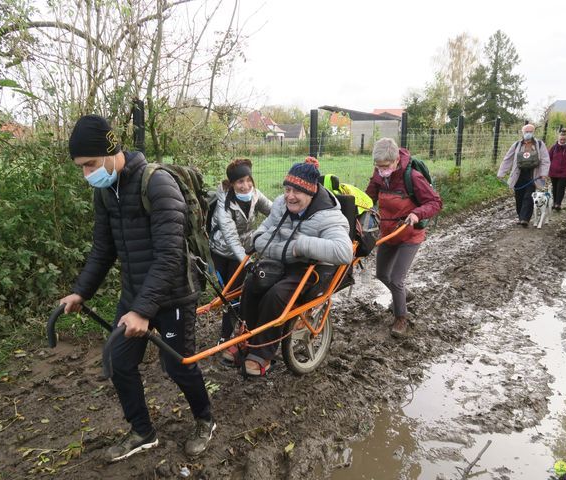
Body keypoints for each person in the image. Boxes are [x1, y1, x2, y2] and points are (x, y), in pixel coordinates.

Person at [58, 115, 215, 462]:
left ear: (112, 151)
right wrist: (81, 292)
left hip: (173, 293)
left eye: (91, 165)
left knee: (177, 365)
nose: (88, 175)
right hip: (134, 294)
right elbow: (103, 249)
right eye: (81, 168)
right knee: (119, 362)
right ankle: (142, 431)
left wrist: (144, 311)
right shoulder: (106, 192)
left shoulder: (157, 184)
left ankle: (205, 419)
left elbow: (170, 254)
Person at [233, 157, 353, 376]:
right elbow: (261, 235)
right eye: (287, 189)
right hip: (280, 262)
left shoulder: (328, 216)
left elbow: (344, 251)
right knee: (252, 282)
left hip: (310, 268)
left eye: (296, 191)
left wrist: (301, 245)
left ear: (311, 192)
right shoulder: (281, 204)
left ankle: (262, 355)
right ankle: (245, 339)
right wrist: (281, 246)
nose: (289, 196)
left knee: (277, 295)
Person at [365, 138, 442, 337]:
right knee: (382, 274)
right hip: (388, 232)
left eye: (386, 166)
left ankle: (401, 318)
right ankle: (404, 295)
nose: (382, 170)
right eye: (378, 166)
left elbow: (435, 202)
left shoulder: (413, 177)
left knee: (396, 279)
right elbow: (368, 199)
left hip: (410, 234)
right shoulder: (378, 176)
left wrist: (417, 213)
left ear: (396, 160)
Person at [209, 158, 271, 347]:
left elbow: (274, 210)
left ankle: (230, 333)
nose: (245, 186)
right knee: (226, 293)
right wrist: (247, 259)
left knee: (236, 292)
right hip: (220, 251)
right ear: (232, 184)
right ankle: (228, 333)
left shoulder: (255, 195)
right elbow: (230, 235)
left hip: (242, 253)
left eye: (248, 180)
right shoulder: (224, 203)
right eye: (240, 182)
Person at [497, 124, 550, 227]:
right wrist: (501, 173)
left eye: (530, 131)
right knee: (519, 196)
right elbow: (508, 158)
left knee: (529, 196)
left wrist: (543, 173)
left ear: (533, 132)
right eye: (526, 131)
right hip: (519, 175)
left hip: (533, 175)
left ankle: (525, 219)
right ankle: (521, 217)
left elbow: (545, 159)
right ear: (523, 132)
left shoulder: (539, 144)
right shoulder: (517, 145)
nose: (528, 133)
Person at [547, 130, 566, 210]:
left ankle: (558, 203)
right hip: (553, 171)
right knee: (555, 187)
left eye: (564, 140)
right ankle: (554, 202)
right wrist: (545, 170)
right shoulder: (554, 147)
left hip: (565, 172)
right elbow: (548, 159)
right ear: (558, 139)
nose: (562, 141)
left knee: (561, 187)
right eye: (561, 139)